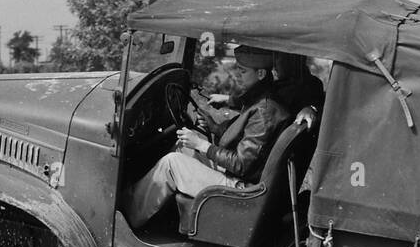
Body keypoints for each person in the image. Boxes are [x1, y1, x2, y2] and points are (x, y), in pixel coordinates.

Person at [121, 45, 290, 230]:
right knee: (183, 147)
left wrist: (201, 144)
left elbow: (241, 165)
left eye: (243, 71)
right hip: (245, 179)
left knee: (172, 163)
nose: (238, 74)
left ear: (261, 74)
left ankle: (127, 218)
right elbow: (243, 139)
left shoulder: (264, 112)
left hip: (243, 189)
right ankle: (144, 204)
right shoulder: (262, 100)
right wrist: (214, 127)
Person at [273, 52, 324, 133]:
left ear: (290, 61)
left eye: (279, 59)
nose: (275, 65)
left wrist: (311, 108)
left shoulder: (311, 84)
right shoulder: (276, 86)